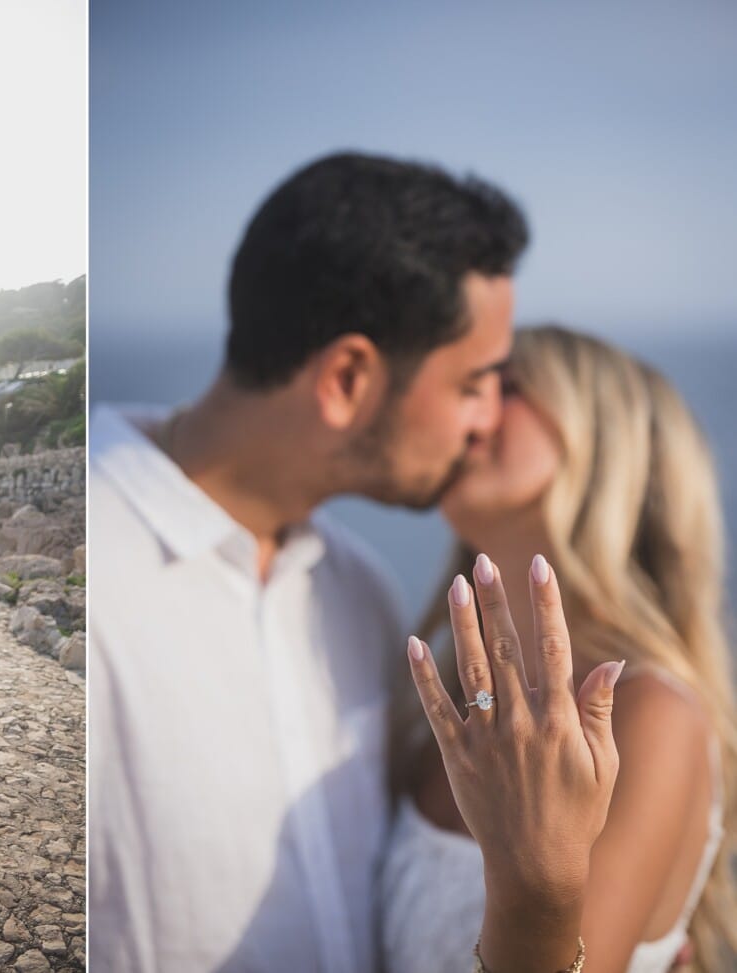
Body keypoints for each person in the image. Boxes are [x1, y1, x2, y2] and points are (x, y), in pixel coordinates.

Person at [89, 151, 612, 972]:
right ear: (346, 378)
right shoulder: (99, 574)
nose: (488, 420)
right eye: (474, 382)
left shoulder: (362, 594)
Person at [382, 326, 737, 972]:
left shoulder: (651, 715)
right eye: (470, 386)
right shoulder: (442, 704)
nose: (472, 411)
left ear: (602, 444)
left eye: (509, 386)